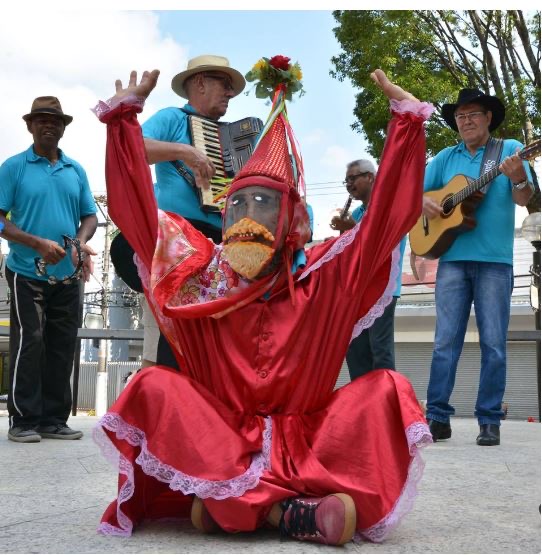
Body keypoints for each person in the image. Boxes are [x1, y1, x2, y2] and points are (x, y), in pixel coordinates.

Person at [92, 66, 433, 546]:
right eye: (238, 206)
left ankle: (230, 507)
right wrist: (123, 121)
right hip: (221, 441)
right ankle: (283, 513)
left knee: (387, 390)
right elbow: (136, 216)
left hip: (313, 440)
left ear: (293, 219)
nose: (248, 218)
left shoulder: (325, 273)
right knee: (150, 385)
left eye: (263, 204)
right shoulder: (204, 277)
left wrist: (407, 124)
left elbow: (388, 219)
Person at [414, 88, 535, 447]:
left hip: (495, 261)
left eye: (472, 115)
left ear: (488, 118)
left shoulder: (511, 149)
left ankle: (489, 420)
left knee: (494, 343)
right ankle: (436, 418)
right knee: (444, 343)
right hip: (451, 260)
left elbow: (523, 197)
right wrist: (423, 202)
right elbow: (410, 191)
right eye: (460, 117)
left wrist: (517, 177)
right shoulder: (445, 158)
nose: (465, 122)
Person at [132, 54, 245, 369]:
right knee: (171, 338)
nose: (230, 93)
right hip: (177, 245)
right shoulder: (172, 118)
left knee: (215, 337)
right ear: (200, 83)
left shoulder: (233, 137)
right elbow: (132, 146)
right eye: (224, 84)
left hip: (219, 248)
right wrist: (186, 152)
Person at [0, 96, 98, 443]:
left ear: (63, 127)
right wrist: (36, 243)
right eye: (41, 120)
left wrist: (78, 242)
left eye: (54, 121)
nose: (48, 125)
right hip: (26, 270)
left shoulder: (76, 170)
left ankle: (54, 420)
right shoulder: (14, 167)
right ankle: (23, 420)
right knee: (31, 341)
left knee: (62, 343)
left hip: (67, 273)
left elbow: (90, 215)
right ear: (29, 126)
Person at [330, 159, 407, 379]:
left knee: (380, 350)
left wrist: (352, 229)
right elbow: (352, 255)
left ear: (370, 177)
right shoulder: (356, 213)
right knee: (356, 350)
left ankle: (384, 405)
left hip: (383, 289)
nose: (349, 184)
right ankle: (362, 404)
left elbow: (380, 246)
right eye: (346, 181)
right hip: (359, 291)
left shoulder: (388, 207)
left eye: (353, 178)